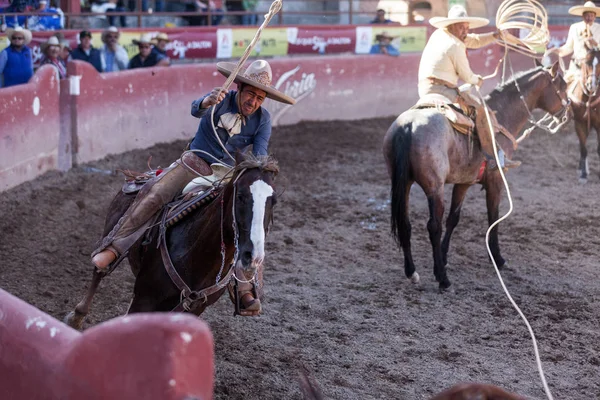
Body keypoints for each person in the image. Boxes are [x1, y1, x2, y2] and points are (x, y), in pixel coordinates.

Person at [91, 60, 295, 313]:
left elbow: (260, 154)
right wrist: (207, 102)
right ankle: (115, 247)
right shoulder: (220, 97)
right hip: (195, 163)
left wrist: (259, 172)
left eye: (260, 98)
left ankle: (246, 286)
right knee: (156, 194)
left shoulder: (263, 119)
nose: (254, 101)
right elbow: (195, 109)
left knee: (250, 219)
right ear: (240, 87)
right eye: (251, 94)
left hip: (229, 174)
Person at [418, 5, 519, 170]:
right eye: (461, 27)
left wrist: (495, 35)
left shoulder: (440, 34)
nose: (465, 31)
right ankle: (492, 158)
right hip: (443, 90)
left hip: (425, 87)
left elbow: (474, 40)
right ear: (452, 26)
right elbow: (467, 75)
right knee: (482, 111)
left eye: (466, 28)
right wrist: (477, 80)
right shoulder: (455, 45)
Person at [547, 1, 600, 86]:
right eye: (587, 15)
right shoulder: (574, 27)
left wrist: (596, 44)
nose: (589, 18)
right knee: (564, 86)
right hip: (577, 67)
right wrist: (558, 50)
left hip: (594, 68)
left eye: (591, 15)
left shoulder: (599, 28)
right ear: (583, 16)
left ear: (595, 16)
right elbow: (569, 47)